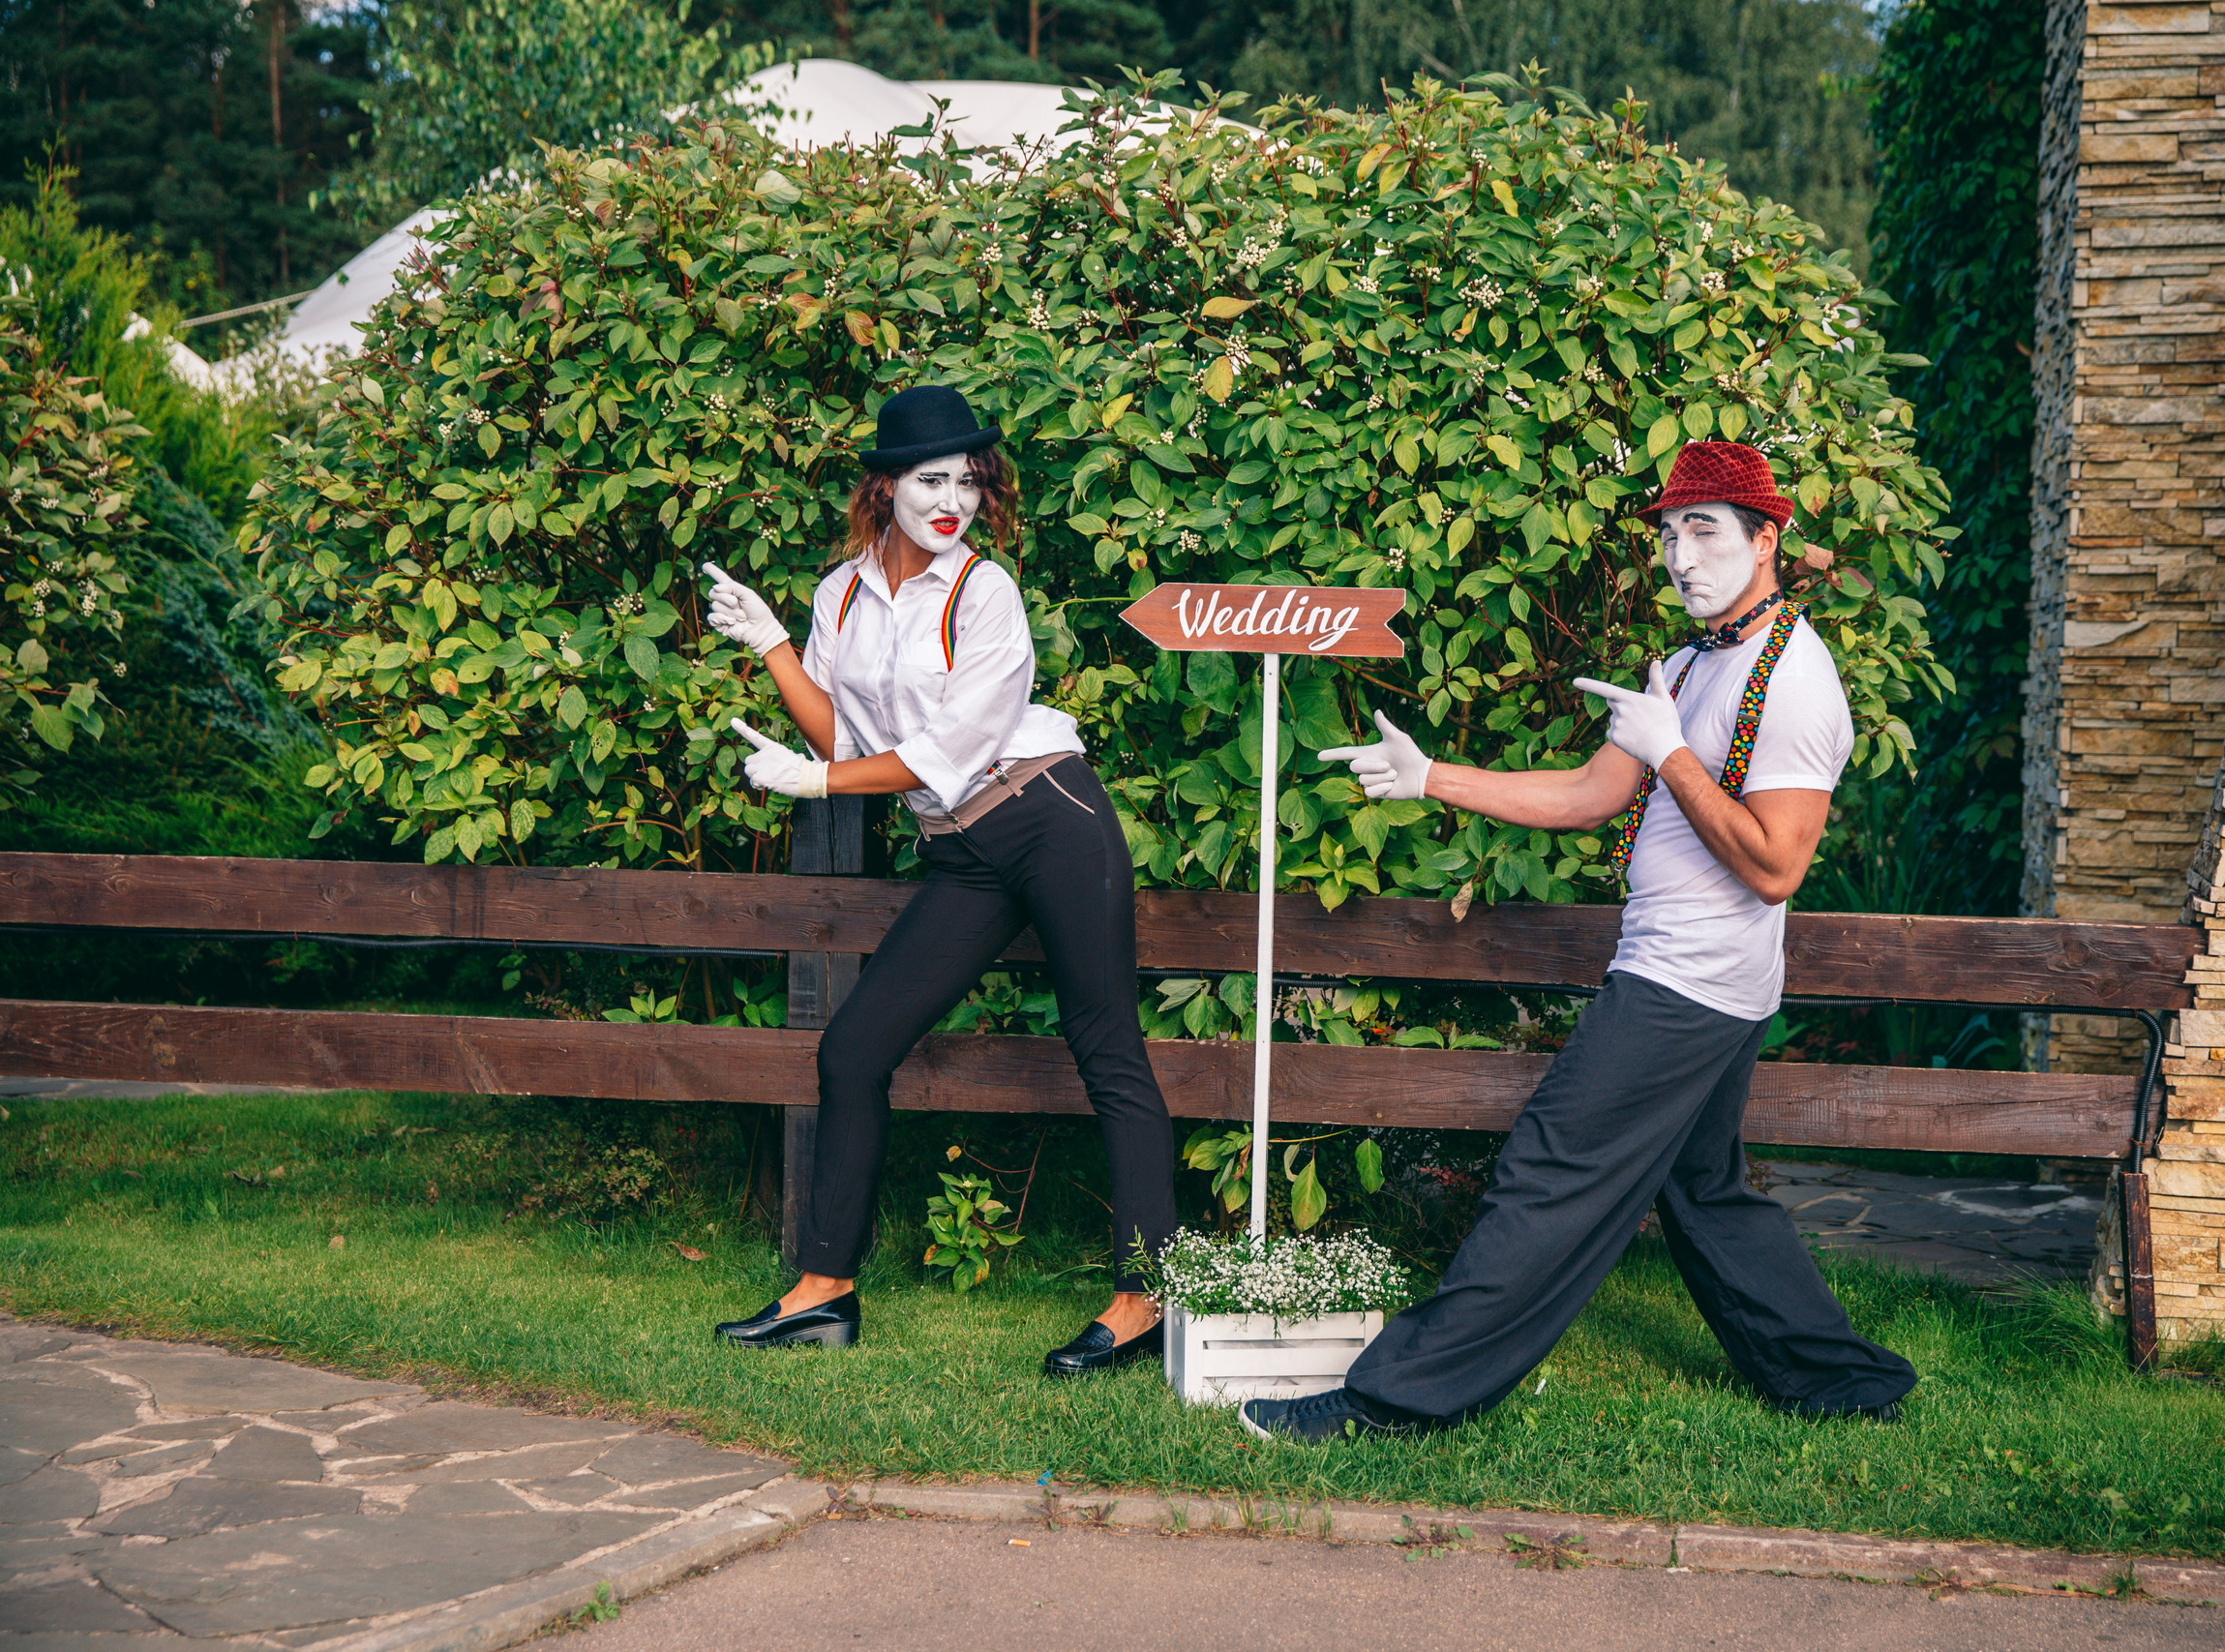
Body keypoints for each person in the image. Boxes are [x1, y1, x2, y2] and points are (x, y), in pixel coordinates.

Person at [1243, 440, 1917, 1442]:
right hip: (1708, 985)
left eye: (1703, 532)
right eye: (1667, 536)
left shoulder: (1797, 683)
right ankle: (1840, 1383)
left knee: (1548, 1171)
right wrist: (1431, 776)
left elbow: (1775, 865)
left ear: (1765, 539)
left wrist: (1673, 753)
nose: (1680, 558)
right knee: (1705, 1193)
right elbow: (1593, 793)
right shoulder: (1687, 666)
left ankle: (1395, 1402)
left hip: (1685, 986)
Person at [701, 383, 1177, 1377]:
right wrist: (775, 645)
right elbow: (846, 739)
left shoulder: (984, 592)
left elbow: (945, 751)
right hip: (961, 851)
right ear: (885, 487)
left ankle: (1143, 1298)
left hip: (1048, 819)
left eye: (967, 478)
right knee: (853, 1048)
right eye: (930, 478)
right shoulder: (840, 593)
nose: (951, 496)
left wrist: (817, 780)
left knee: (1107, 1049)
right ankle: (822, 1292)